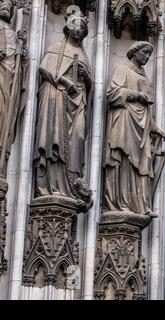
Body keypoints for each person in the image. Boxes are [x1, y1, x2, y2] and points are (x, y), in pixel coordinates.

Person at [33, 6, 93, 206]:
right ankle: (51, 185)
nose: (78, 29)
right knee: (54, 138)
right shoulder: (57, 49)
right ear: (67, 27)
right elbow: (44, 68)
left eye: (82, 26)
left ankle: (71, 186)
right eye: (75, 25)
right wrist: (64, 82)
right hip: (56, 99)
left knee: (78, 137)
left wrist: (86, 78)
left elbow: (90, 85)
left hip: (79, 103)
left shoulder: (84, 55)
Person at [103, 41, 165, 215]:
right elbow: (111, 93)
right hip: (124, 120)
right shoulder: (123, 70)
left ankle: (139, 206)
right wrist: (136, 94)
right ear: (135, 52)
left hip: (142, 126)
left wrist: (154, 127)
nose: (147, 57)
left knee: (142, 163)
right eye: (145, 53)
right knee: (124, 161)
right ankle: (121, 203)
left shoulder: (144, 76)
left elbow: (146, 109)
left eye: (149, 54)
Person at [0, 0, 27, 177]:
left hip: (8, 83)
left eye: (9, 4)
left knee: (4, 115)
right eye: (2, 2)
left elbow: (19, 69)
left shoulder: (13, 35)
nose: (6, 6)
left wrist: (22, 52)